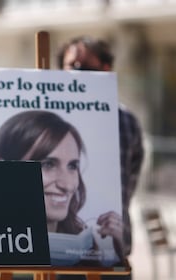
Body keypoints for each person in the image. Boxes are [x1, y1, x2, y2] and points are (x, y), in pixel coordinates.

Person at [0, 110, 124, 267]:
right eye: (48, 164)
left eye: (72, 166)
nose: (67, 185)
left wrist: (117, 260)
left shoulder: (85, 248)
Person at [57, 36, 145, 279]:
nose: (76, 71)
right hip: (57, 256)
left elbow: (128, 183)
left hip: (111, 254)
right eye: (70, 65)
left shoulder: (125, 122)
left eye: (84, 65)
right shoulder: (50, 121)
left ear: (106, 69)